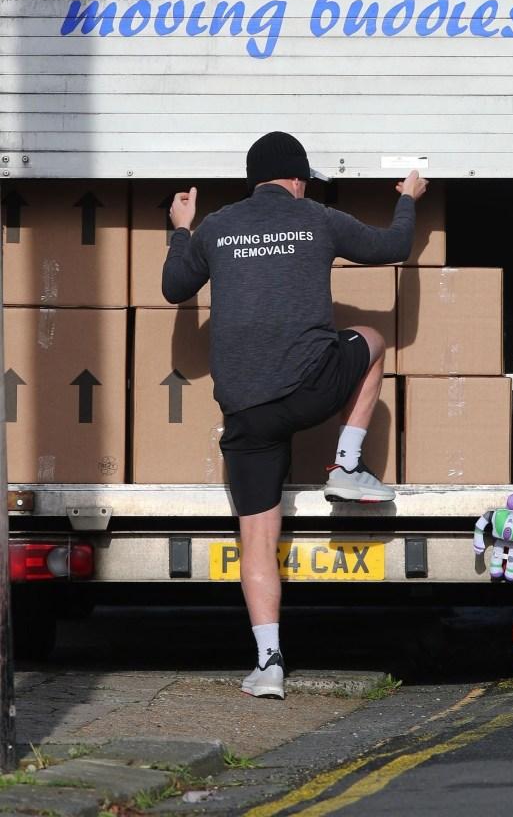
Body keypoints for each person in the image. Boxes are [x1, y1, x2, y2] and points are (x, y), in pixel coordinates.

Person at [162, 131, 429, 699]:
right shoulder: (318, 218)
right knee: (372, 338)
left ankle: (269, 663)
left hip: (246, 414)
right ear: (299, 179)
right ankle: (346, 466)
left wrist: (181, 225)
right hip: (312, 391)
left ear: (253, 179)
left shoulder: (216, 227)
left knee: (257, 537)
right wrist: (408, 195)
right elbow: (393, 247)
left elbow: (173, 287)